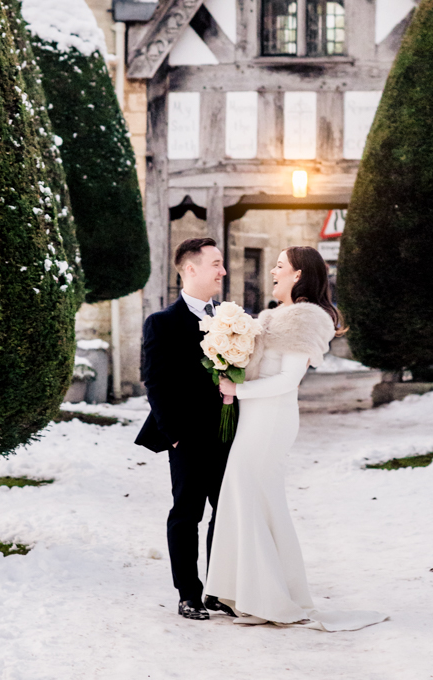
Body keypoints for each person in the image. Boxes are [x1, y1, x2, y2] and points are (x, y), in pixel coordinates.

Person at [204, 246, 387, 631]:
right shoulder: (273, 317)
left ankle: (266, 596)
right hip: (255, 416)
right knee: (256, 500)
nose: (272, 270)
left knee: (252, 495)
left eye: (280, 265)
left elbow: (288, 381)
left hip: (271, 419)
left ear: (299, 274)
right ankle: (257, 592)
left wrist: (238, 392)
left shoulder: (306, 318)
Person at [135, 237, 234, 621]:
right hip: (187, 437)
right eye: (216, 263)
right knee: (187, 513)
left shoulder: (230, 317)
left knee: (227, 513)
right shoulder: (161, 323)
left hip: (229, 432)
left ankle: (218, 589)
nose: (222, 271)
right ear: (190, 269)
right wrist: (174, 433)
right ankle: (188, 593)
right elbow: (154, 383)